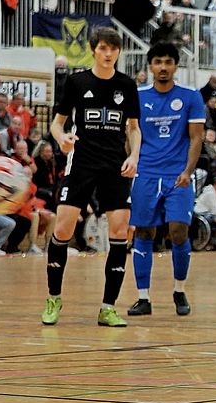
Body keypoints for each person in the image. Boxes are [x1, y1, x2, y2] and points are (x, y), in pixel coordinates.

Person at [40, 28, 141, 328]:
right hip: (81, 163)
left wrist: (134, 156)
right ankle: (53, 298)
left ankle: (108, 308)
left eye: (113, 49)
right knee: (63, 228)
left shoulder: (127, 85)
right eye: (103, 48)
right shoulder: (77, 82)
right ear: (93, 49)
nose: (108, 54)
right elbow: (56, 124)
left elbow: (133, 128)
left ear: (119, 52)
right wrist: (62, 139)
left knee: (120, 232)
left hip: (114, 166)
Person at [127, 43, 205, 318]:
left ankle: (179, 289)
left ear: (175, 66)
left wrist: (187, 171)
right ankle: (143, 297)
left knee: (178, 230)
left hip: (177, 176)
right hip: (145, 173)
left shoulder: (190, 96)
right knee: (143, 232)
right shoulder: (137, 96)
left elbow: (197, 137)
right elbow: (131, 133)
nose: (163, 67)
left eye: (168, 62)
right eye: (158, 62)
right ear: (150, 66)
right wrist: (132, 161)